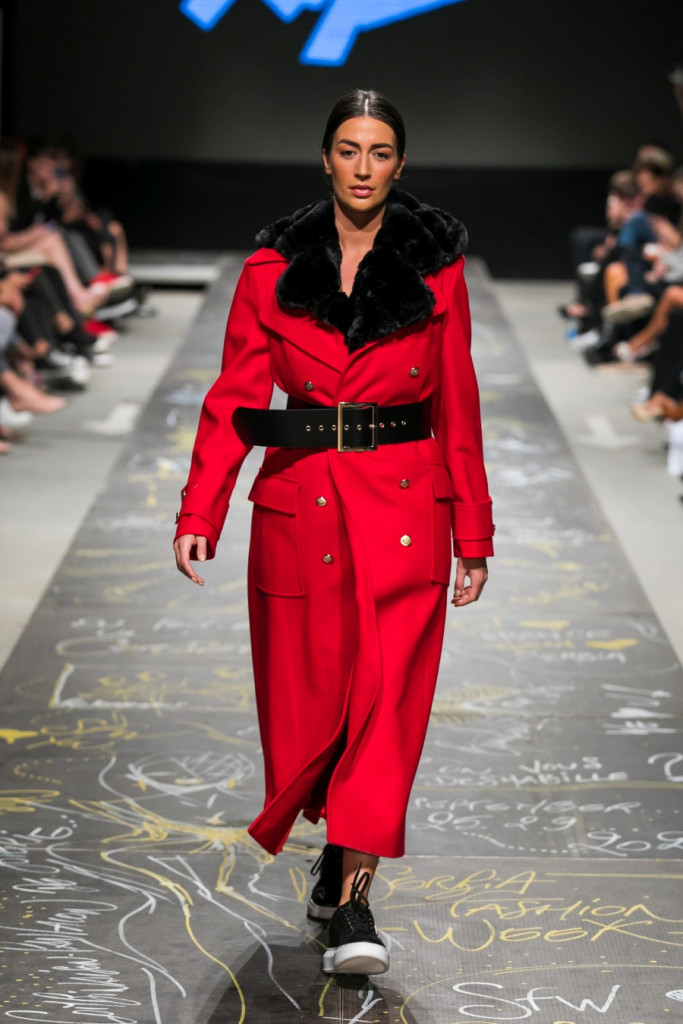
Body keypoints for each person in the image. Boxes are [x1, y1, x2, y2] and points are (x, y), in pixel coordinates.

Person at [173, 90, 494, 977]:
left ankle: (354, 900)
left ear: (400, 164)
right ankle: (331, 851)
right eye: (348, 149)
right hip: (301, 504)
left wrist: (473, 532)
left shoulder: (437, 270)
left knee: (386, 708)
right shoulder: (270, 270)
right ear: (324, 158)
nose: (362, 167)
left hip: (405, 509)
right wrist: (201, 508)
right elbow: (235, 397)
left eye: (379, 151)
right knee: (311, 709)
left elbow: (458, 404)